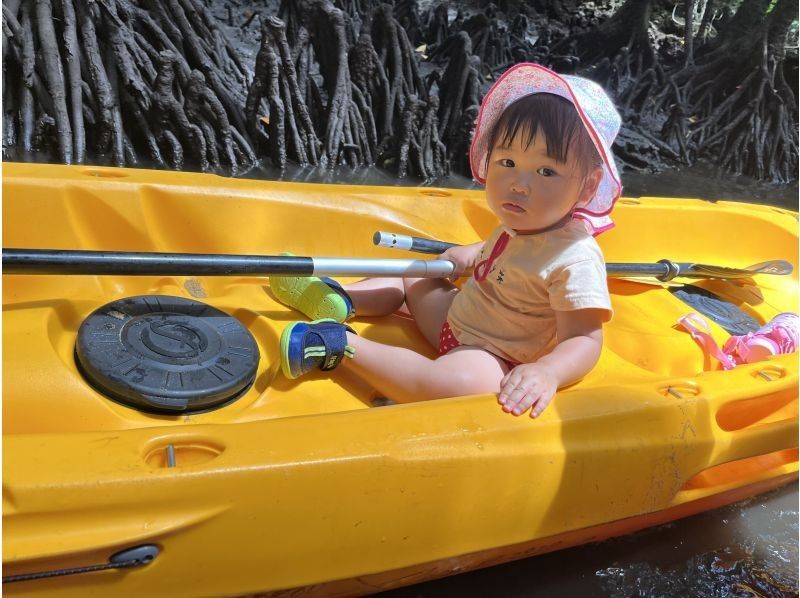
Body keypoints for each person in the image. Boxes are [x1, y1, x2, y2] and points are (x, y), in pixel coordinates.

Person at [271, 63, 622, 418]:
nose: (519, 183)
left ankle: (338, 342)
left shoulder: (574, 258)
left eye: (546, 171)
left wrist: (548, 371)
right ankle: (341, 300)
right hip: (455, 318)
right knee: (417, 271)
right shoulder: (523, 220)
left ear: (589, 186)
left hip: (494, 355)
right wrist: (468, 255)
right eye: (507, 161)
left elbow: (583, 340)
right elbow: (499, 252)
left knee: (462, 385)